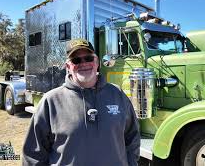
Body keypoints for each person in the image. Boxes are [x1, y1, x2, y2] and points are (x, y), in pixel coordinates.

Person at [22, 38, 140, 166]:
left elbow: (132, 138)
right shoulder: (50, 101)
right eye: (76, 60)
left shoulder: (118, 95)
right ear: (68, 67)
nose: (83, 63)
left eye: (88, 58)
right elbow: (33, 154)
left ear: (97, 62)